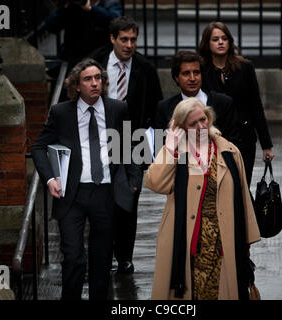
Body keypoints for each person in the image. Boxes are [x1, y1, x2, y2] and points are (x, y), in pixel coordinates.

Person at [31, 58, 140, 300]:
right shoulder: (61, 112)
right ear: (76, 86)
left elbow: (129, 146)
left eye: (98, 78)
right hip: (72, 193)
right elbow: (38, 147)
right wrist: (50, 179)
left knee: (101, 262)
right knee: (73, 257)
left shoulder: (117, 109)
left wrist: (133, 181)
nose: (94, 83)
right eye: (88, 79)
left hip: (106, 193)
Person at [145, 98, 260, 300]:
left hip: (223, 239)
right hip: (187, 242)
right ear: (180, 128)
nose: (201, 126)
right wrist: (169, 147)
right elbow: (155, 183)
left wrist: (247, 240)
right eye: (193, 124)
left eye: (203, 119)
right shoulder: (177, 154)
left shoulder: (229, 151)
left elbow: (243, 195)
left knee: (222, 292)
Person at [92, 16, 164, 274]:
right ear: (112, 38)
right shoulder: (96, 63)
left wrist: (155, 147)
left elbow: (158, 109)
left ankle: (124, 256)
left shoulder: (145, 68)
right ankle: (104, 252)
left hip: (134, 140)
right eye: (124, 39)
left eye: (133, 39)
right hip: (100, 138)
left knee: (129, 200)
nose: (129, 45)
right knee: (101, 198)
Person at [199, 21, 274, 186]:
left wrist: (266, 145)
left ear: (229, 42)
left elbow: (256, 105)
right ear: (207, 43)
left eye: (224, 38)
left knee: (241, 185)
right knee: (218, 186)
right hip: (215, 138)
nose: (220, 42)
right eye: (215, 39)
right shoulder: (202, 71)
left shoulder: (244, 67)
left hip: (244, 137)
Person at [154, 50, 241, 150]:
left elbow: (234, 143)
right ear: (176, 78)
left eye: (196, 73)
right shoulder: (164, 108)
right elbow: (159, 147)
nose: (192, 78)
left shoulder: (223, 103)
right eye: (186, 73)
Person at [45, 0, 122, 66]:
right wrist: (64, 7)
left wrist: (91, 9)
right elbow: (50, 26)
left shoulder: (109, 3)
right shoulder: (73, 5)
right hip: (73, 57)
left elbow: (116, 23)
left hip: (100, 57)